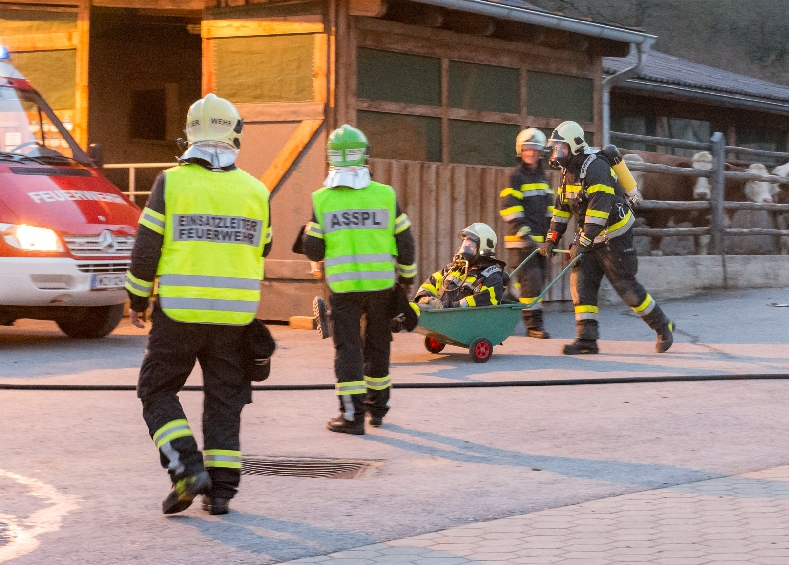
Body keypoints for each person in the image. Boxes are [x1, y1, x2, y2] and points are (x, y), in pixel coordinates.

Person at [125, 93, 271, 516]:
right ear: (235, 134)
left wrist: (137, 298)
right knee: (225, 399)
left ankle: (187, 469)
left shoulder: (170, 183)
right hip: (236, 316)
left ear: (189, 135)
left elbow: (146, 249)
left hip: (180, 313)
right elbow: (264, 246)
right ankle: (221, 492)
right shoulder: (256, 190)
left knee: (157, 390)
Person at [297, 125, 416, 435]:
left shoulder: (323, 199)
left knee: (348, 351)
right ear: (364, 156)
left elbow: (314, 249)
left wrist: (309, 236)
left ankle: (352, 417)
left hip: (344, 289)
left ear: (331, 159)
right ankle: (378, 409)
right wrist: (407, 278)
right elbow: (405, 242)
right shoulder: (385, 195)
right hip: (381, 288)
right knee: (378, 347)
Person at [540, 121, 674, 355]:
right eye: (555, 148)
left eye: (560, 147)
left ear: (574, 146)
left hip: (615, 235)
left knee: (626, 288)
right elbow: (562, 209)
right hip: (591, 236)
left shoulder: (596, 168)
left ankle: (663, 326)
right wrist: (551, 238)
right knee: (581, 284)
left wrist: (582, 242)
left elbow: (598, 211)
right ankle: (587, 340)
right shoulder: (567, 171)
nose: (556, 152)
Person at [500, 128, 553, 338]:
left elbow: (550, 210)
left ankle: (506, 303)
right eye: (527, 150)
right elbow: (509, 208)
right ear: (520, 152)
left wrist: (552, 236)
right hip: (521, 242)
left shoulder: (543, 178)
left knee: (531, 283)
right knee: (532, 282)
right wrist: (524, 235)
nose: (531, 153)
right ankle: (534, 326)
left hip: (540, 243)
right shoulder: (515, 177)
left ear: (541, 153)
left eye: (535, 150)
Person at [414, 223, 507, 309]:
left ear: (483, 249)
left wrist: (442, 306)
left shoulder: (492, 278)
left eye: (470, 246)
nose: (464, 249)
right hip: (440, 318)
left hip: (463, 320)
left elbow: (470, 306)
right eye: (464, 244)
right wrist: (424, 298)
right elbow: (428, 285)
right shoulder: (452, 269)